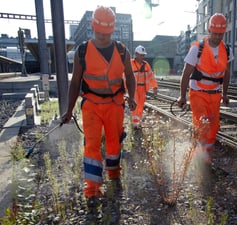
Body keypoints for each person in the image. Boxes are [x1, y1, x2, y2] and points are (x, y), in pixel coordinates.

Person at [60, 5, 136, 220]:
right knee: (92, 145)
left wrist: (133, 96)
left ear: (112, 30)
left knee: (114, 142)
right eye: (99, 32)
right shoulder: (82, 51)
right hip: (91, 104)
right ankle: (92, 189)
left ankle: (113, 174)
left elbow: (129, 76)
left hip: (115, 104)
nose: (102, 36)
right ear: (93, 28)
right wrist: (68, 110)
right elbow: (75, 82)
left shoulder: (122, 50)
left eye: (106, 33)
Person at [177, 13, 234, 162]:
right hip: (198, 93)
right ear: (209, 31)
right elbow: (186, 73)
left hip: (215, 94)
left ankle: (205, 152)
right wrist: (182, 96)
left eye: (220, 34)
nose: (217, 37)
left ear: (224, 33)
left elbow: (226, 73)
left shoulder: (227, 50)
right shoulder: (197, 49)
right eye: (214, 33)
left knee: (214, 127)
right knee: (202, 123)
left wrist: (225, 93)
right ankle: (201, 157)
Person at [130, 45, 158, 128]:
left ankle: (138, 121)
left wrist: (155, 87)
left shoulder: (146, 65)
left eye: (143, 55)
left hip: (143, 89)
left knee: (141, 105)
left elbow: (151, 76)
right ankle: (135, 123)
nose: (143, 56)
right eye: (141, 55)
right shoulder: (130, 64)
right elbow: (125, 76)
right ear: (136, 54)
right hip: (133, 89)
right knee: (135, 105)